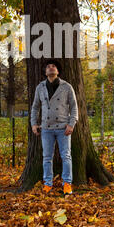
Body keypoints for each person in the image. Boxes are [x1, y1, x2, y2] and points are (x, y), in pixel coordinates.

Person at [31, 59, 78, 195]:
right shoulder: (40, 87)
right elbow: (35, 107)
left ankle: (67, 183)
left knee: (66, 156)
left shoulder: (67, 87)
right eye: (48, 67)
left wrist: (71, 124)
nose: (51, 68)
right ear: (45, 72)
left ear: (57, 71)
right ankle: (47, 184)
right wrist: (34, 124)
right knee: (47, 157)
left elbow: (74, 107)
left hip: (64, 127)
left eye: (54, 67)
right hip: (46, 128)